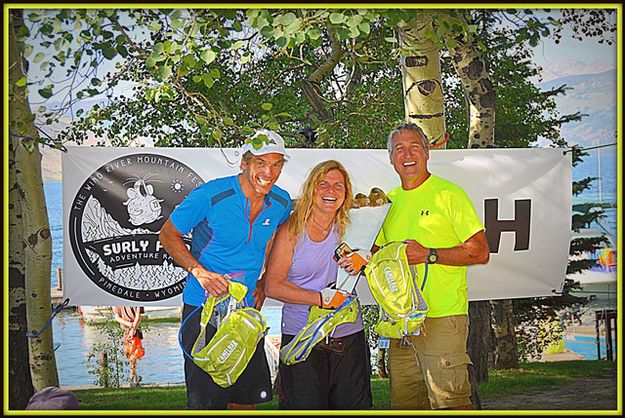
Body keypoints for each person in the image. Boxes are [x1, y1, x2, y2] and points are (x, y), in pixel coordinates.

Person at [159, 129, 292, 410]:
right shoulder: (211, 195)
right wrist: (200, 272)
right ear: (244, 163)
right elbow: (168, 235)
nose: (269, 172)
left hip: (246, 314)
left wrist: (264, 280)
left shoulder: (279, 203)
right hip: (204, 310)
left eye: (276, 164)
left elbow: (273, 240)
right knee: (208, 404)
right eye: (261, 163)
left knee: (245, 401)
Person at [366, 122, 490, 410]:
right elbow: (377, 253)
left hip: (443, 318)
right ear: (391, 158)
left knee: (451, 403)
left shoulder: (449, 194)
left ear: (427, 153)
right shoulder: (388, 201)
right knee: (407, 405)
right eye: (399, 149)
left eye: (414, 147)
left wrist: (428, 254)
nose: (407, 154)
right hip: (402, 323)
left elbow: (480, 252)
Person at [263, 160, 373, 410]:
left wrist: (366, 259)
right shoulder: (290, 230)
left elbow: (375, 266)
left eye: (338, 186)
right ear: (311, 189)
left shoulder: (354, 227)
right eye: (323, 184)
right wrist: (320, 299)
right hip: (303, 336)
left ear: (345, 194)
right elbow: (273, 286)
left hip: (347, 334)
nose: (330, 191)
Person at [112, 306, 144, 387]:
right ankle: (134, 378)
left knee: (133, 356)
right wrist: (131, 325)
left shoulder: (118, 300)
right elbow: (138, 317)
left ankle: (133, 379)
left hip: (133, 330)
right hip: (130, 329)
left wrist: (132, 328)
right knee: (131, 356)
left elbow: (138, 317)